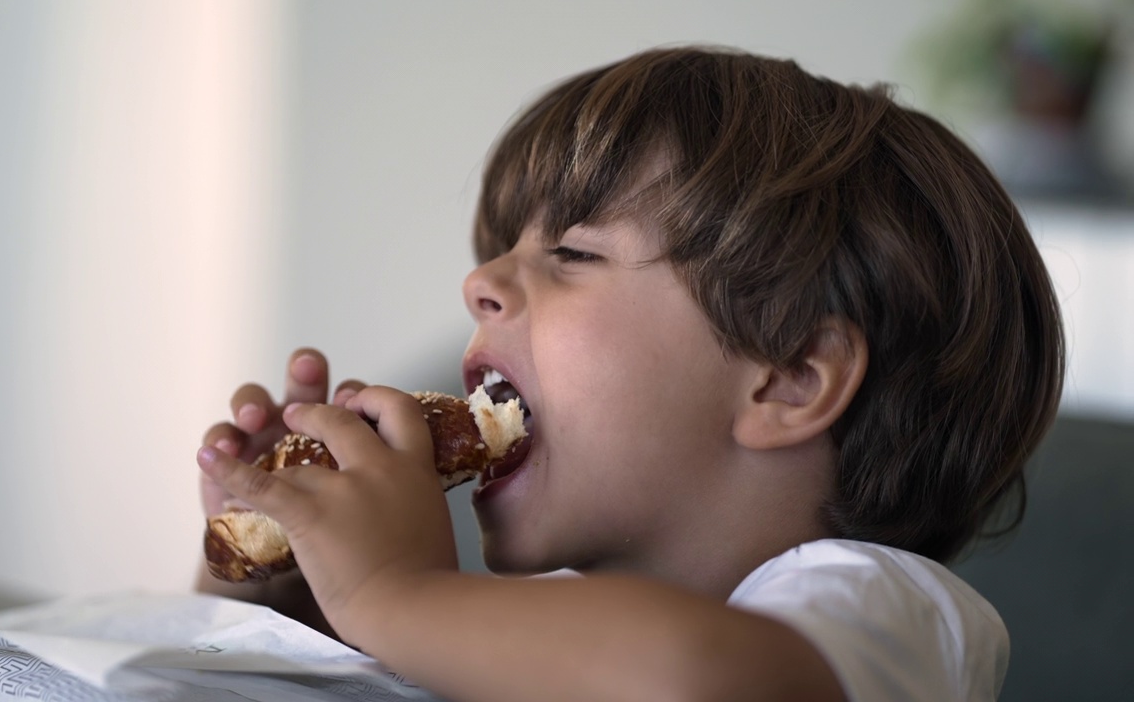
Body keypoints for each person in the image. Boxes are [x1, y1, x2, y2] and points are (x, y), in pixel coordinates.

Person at [193, 46, 1065, 701]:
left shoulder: (884, 610)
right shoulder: (563, 614)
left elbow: (697, 677)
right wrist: (294, 608)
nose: (481, 282)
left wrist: (391, 594)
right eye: (502, 249)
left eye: (570, 252)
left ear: (789, 379)